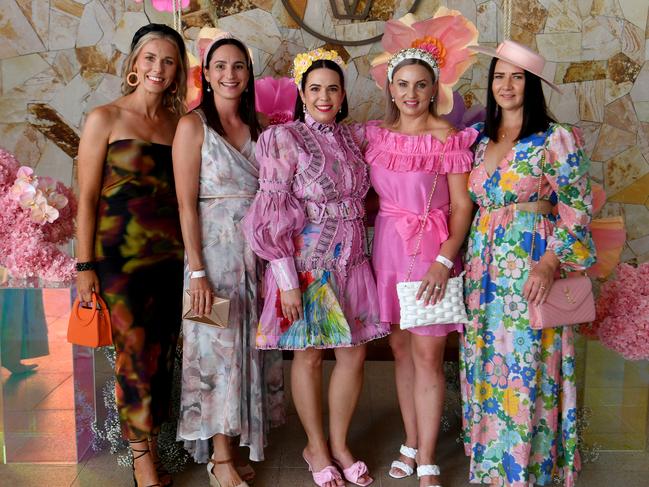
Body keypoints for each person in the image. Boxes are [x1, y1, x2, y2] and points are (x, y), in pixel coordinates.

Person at [242, 48, 388, 487]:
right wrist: (285, 278)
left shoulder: (351, 137)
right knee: (308, 356)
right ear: (302, 94)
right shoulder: (283, 138)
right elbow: (271, 210)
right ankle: (316, 447)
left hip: (353, 261)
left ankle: (340, 443)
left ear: (343, 94)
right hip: (306, 263)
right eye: (315, 89)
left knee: (354, 353)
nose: (324, 97)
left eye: (333, 88)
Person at [460, 40, 596, 487]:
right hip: (483, 273)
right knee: (488, 362)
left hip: (531, 266)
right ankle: (493, 467)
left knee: (526, 363)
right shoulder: (481, 140)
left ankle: (528, 469)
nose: (506, 85)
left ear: (532, 85)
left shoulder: (555, 137)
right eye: (499, 76)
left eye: (517, 76)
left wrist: (549, 264)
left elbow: (577, 206)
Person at [75, 23, 188, 487]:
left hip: (170, 259)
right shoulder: (105, 118)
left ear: (178, 70)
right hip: (118, 261)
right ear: (134, 65)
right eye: (150, 58)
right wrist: (84, 266)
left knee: (162, 357)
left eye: (168, 60)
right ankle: (142, 460)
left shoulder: (180, 124)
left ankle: (152, 444)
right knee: (134, 356)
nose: (158, 68)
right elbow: (85, 199)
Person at [172, 32, 284, 487]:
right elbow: (184, 203)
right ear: (207, 73)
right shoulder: (192, 126)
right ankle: (219, 459)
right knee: (214, 351)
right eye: (220, 65)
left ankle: (234, 447)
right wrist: (197, 271)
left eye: (238, 66)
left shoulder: (261, 131)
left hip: (256, 257)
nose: (230, 74)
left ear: (248, 74)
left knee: (249, 348)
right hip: (212, 259)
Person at [365, 46, 476, 487]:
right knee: (400, 351)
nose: (411, 93)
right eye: (403, 84)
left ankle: (427, 455)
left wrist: (444, 261)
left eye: (421, 84)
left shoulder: (448, 138)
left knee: (429, 356)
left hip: (431, 250)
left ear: (434, 89)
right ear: (391, 88)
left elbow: (463, 206)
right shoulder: (376, 136)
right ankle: (410, 443)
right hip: (389, 248)